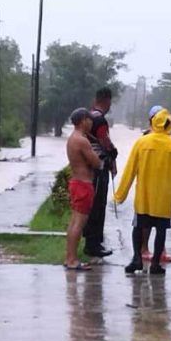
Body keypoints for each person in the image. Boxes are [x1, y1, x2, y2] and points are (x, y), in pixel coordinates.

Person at [115, 108, 171, 275]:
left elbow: (130, 169)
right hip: (164, 198)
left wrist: (120, 194)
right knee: (161, 231)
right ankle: (155, 264)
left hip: (144, 195)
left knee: (138, 227)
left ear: (153, 122)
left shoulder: (142, 142)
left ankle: (137, 258)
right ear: (169, 124)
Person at [83, 87, 118, 259]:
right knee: (98, 206)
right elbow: (106, 143)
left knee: (91, 206)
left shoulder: (89, 116)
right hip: (99, 168)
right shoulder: (100, 120)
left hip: (88, 167)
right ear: (106, 100)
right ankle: (94, 244)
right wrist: (114, 155)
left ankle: (92, 241)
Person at [65, 108, 102, 271]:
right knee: (79, 224)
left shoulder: (72, 139)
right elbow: (96, 162)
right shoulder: (82, 140)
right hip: (83, 184)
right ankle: (72, 259)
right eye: (89, 120)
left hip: (76, 182)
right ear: (83, 121)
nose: (91, 123)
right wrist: (97, 154)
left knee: (74, 222)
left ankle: (70, 257)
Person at [138, 105, 171, 263]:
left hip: (164, 187)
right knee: (145, 222)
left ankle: (161, 251)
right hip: (147, 186)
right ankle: (144, 249)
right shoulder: (143, 141)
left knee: (162, 223)